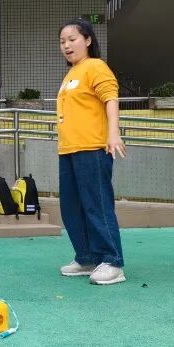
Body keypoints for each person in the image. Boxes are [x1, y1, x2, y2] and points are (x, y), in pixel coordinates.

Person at [57, 18, 127, 285]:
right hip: (69, 150)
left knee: (97, 205)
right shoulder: (71, 74)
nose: (66, 45)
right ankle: (87, 257)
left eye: (72, 39)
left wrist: (113, 133)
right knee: (71, 208)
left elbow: (111, 98)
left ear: (87, 40)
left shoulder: (95, 66)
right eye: (62, 41)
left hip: (92, 148)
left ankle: (112, 261)